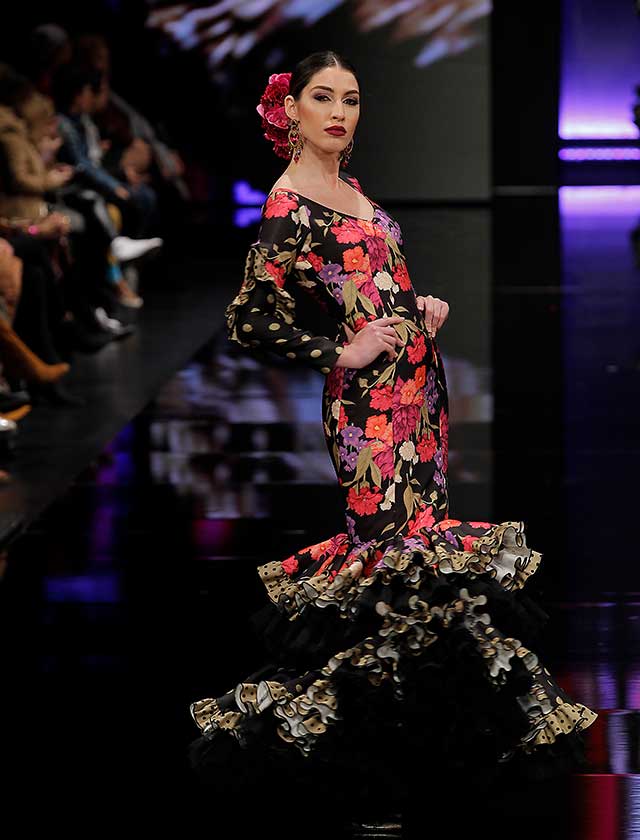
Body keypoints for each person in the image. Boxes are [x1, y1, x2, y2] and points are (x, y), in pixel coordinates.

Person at [189, 51, 598, 829]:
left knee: (418, 562)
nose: (339, 113)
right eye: (322, 98)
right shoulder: (289, 202)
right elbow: (251, 317)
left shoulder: (347, 188)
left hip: (417, 398)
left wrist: (419, 309)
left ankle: (410, 742)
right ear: (291, 110)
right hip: (368, 413)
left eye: (350, 99)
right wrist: (338, 352)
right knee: (386, 565)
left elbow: (373, 286)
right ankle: (358, 754)